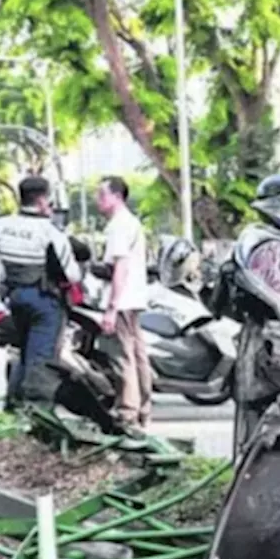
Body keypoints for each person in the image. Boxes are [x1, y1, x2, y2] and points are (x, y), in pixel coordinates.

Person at [0, 176, 82, 411]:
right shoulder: (50, 232)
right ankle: (38, 412)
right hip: (44, 301)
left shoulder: (0, 225)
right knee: (42, 359)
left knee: (24, 352)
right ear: (43, 200)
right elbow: (72, 275)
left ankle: (14, 404)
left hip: (15, 299)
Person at [97, 176, 153, 430]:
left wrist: (111, 307)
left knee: (123, 357)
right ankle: (143, 409)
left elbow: (120, 267)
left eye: (102, 195)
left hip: (122, 300)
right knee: (138, 355)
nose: (99, 201)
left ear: (117, 197)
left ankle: (127, 412)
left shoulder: (119, 225)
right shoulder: (131, 223)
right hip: (134, 299)